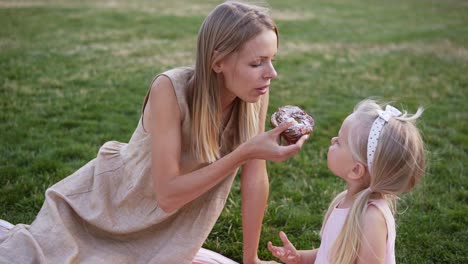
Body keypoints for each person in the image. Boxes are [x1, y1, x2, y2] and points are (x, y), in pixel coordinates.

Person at [0, 1, 309, 263]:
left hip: (168, 230)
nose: (272, 73)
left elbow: (255, 179)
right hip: (107, 209)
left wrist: (251, 257)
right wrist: (244, 152)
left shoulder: (253, 92)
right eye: (257, 63)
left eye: (272, 60)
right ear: (218, 62)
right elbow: (168, 195)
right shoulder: (170, 89)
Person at [267, 99, 426, 264]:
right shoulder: (346, 200)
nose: (332, 140)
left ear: (356, 170)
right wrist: (300, 258)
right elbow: (330, 254)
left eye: (340, 141)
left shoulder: (372, 219)